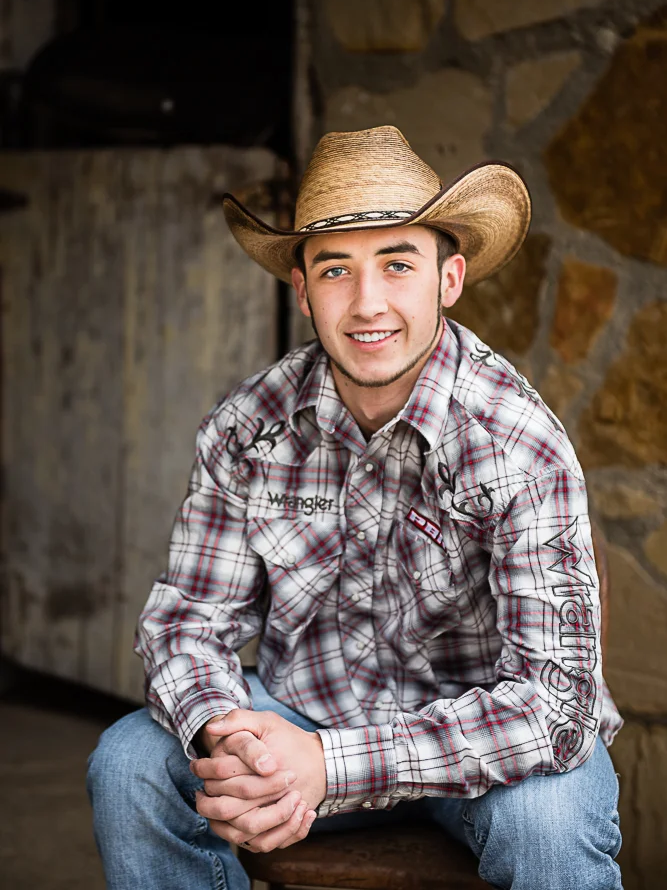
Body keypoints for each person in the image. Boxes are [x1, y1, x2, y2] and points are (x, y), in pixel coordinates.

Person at [88, 126, 624, 890]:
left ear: (448, 279)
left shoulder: (516, 443)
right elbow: (188, 622)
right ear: (302, 289)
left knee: (549, 824)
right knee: (129, 766)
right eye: (336, 269)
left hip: (487, 751)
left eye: (397, 264)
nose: (368, 303)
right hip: (304, 718)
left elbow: (554, 710)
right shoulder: (247, 429)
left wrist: (329, 765)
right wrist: (230, 735)